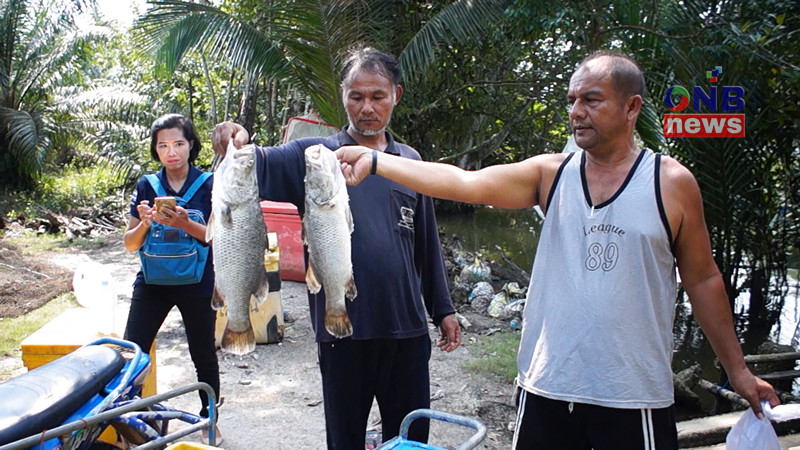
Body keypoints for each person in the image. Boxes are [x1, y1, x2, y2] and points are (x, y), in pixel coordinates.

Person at [336, 51, 779, 449]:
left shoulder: (670, 183)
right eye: (571, 100)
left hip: (632, 395)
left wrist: (737, 371)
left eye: (591, 100)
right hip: (547, 388)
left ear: (632, 107)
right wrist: (376, 161)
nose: (576, 112)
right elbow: (465, 183)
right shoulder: (551, 175)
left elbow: (703, 279)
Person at [212, 47, 461, 449]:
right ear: (343, 95)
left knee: (412, 439)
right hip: (342, 329)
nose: (367, 107)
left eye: (378, 96)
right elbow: (254, 163)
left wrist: (443, 308)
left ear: (396, 94)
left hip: (406, 329)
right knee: (344, 439)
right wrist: (232, 138)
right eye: (356, 96)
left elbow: (425, 242)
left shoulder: (410, 161)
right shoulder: (313, 157)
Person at [123, 113, 222, 445]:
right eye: (163, 145)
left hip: (197, 281)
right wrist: (146, 222)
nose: (171, 152)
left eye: (178, 143)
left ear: (191, 145)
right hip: (152, 283)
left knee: (203, 354)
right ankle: (127, 423)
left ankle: (210, 420)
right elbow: (130, 244)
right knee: (132, 352)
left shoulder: (208, 183)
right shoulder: (146, 185)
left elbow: (210, 236)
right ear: (155, 149)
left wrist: (183, 224)